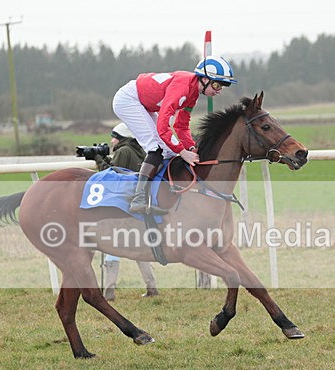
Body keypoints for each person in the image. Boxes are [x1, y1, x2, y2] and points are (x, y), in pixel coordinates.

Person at [112, 55, 237, 216]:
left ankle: (156, 196)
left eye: (222, 87)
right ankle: (139, 199)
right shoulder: (183, 87)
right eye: (217, 85)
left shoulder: (193, 93)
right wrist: (182, 151)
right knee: (156, 148)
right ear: (204, 79)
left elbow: (181, 125)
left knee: (168, 151)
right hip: (128, 100)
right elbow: (163, 126)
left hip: (143, 103)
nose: (219, 90)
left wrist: (191, 147)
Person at [97, 123, 159, 300]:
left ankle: (108, 291)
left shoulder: (123, 151)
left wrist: (99, 160)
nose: (112, 140)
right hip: (137, 204)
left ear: (122, 138)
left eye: (114, 136)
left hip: (121, 205)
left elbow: (110, 175)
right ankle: (151, 287)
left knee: (111, 245)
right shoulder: (140, 150)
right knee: (139, 246)